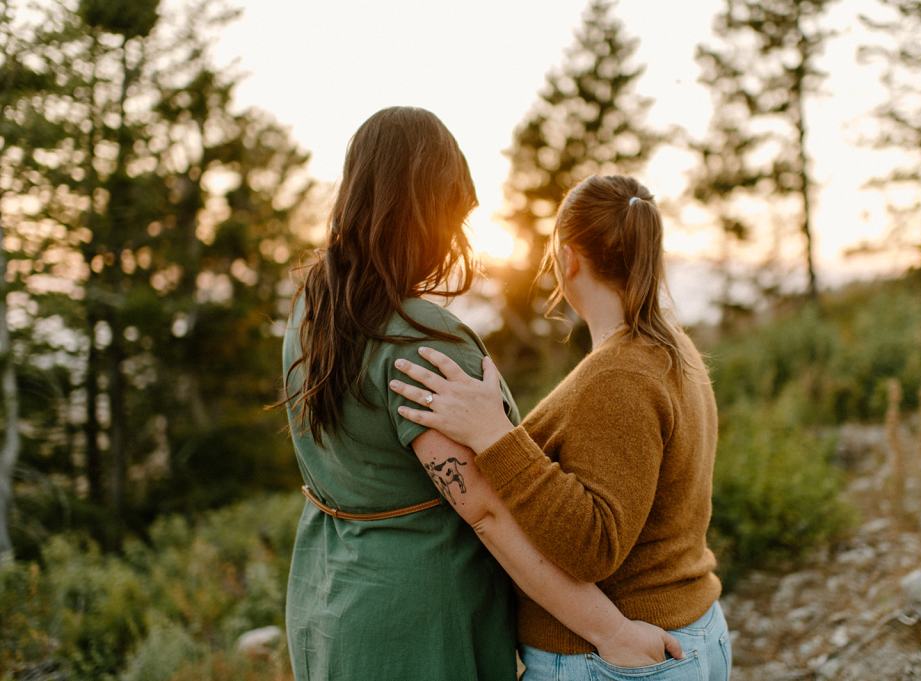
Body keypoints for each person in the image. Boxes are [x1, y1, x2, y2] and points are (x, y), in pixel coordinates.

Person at [281, 109, 680, 681]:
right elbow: (489, 510)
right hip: (422, 621)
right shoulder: (424, 345)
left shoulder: (310, 309)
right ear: (427, 211)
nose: (457, 238)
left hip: (328, 596)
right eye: (455, 216)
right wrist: (612, 632)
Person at [390, 174, 732, 680]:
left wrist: (494, 437)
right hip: (679, 638)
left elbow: (592, 546)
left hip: (618, 660)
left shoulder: (620, 375)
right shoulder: (670, 348)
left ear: (568, 259)